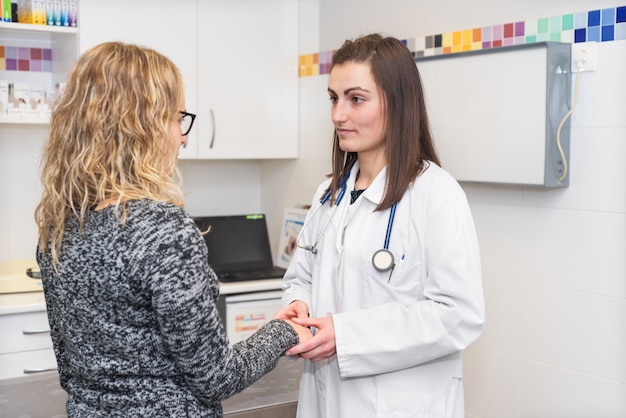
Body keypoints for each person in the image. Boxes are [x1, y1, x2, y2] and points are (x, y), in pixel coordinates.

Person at [34, 42, 311, 417]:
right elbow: (217, 378)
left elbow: (69, 367)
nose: (182, 136)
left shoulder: (58, 227)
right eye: (177, 118)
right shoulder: (163, 231)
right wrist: (285, 332)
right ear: (141, 126)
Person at [274, 33, 485, 418]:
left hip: (398, 404)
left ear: (398, 103)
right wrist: (295, 304)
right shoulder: (329, 193)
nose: (339, 115)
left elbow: (459, 314)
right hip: (325, 398)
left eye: (356, 99)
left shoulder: (436, 194)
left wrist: (348, 334)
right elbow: (299, 276)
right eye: (334, 98)